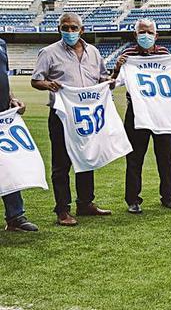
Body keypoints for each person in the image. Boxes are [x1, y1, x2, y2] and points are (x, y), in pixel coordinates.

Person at [30, 12, 112, 226]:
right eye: (65, 28)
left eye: (73, 28)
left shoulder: (93, 52)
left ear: (81, 30)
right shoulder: (48, 52)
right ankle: (62, 210)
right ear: (59, 29)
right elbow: (36, 80)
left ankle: (85, 203)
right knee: (61, 163)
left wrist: (107, 81)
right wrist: (48, 84)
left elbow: (101, 76)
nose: (69, 31)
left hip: (87, 115)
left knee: (87, 157)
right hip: (62, 114)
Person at [112, 18, 171, 213]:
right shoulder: (127, 55)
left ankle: (168, 196)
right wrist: (118, 67)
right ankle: (133, 199)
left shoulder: (165, 54)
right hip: (137, 112)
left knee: (165, 157)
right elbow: (113, 83)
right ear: (136, 35)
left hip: (162, 111)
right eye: (142, 32)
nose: (146, 36)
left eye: (150, 32)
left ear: (156, 35)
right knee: (135, 158)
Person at [0, 36, 37, 232]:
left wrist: (12, 99)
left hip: (3, 117)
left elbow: (3, 76)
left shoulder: (1, 43)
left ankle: (15, 216)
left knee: (9, 165)